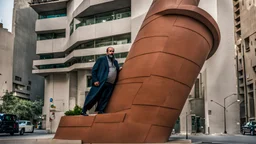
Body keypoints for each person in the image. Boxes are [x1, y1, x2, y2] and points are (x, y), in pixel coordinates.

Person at [81, 47, 120, 116]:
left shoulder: (115, 61)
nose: (111, 52)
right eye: (110, 51)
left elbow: (117, 69)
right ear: (107, 52)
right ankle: (84, 110)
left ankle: (100, 110)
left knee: (105, 98)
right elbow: (94, 70)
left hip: (110, 84)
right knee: (93, 96)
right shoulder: (101, 59)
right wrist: (95, 80)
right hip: (100, 82)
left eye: (113, 51)